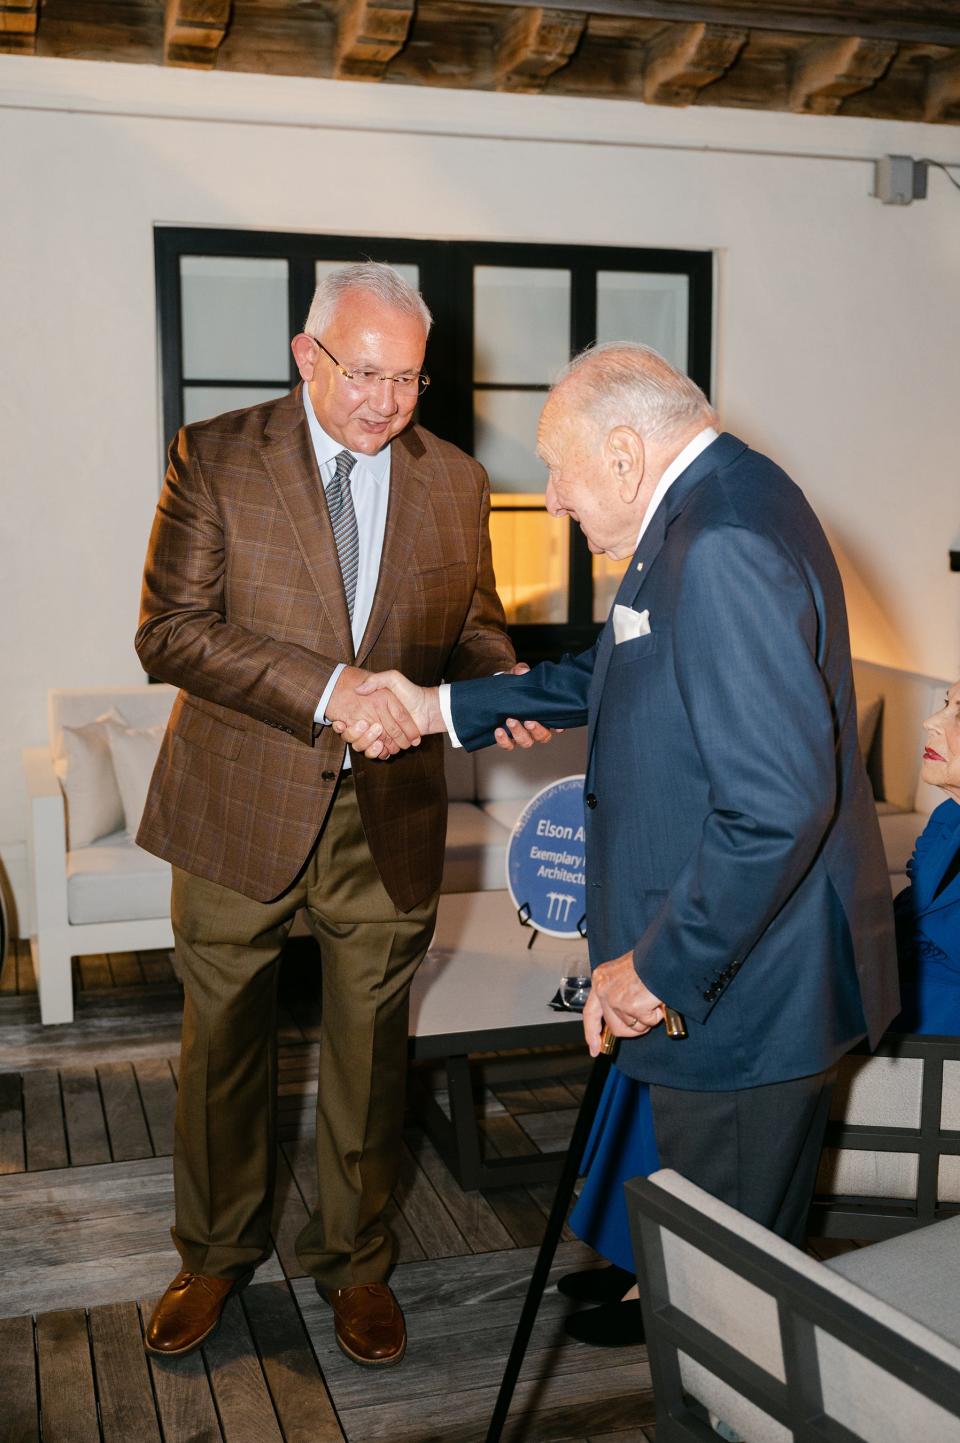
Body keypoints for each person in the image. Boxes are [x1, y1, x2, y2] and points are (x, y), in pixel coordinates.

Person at [343, 343, 900, 1277]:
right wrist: (440, 707)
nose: (553, 499)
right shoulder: (724, 498)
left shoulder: (719, 542)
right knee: (717, 1272)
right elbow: (619, 671)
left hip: (746, 1001)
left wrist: (653, 968)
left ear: (627, 455)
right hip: (753, 986)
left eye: (559, 471)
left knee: (728, 1300)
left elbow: (776, 808)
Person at [135, 263, 532, 1368]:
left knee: (373, 1056)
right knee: (223, 1047)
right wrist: (327, 692)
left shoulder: (455, 480)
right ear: (308, 356)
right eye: (364, 372)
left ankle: (356, 1264)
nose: (386, 401)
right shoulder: (214, 456)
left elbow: (478, 629)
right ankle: (214, 1253)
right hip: (237, 810)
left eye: (408, 378)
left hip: (389, 815)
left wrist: (494, 697)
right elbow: (169, 632)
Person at [894, 681, 960, 1032]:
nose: (931, 721)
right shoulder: (949, 815)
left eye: (959, 714)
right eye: (946, 704)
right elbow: (904, 923)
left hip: (935, 1056)